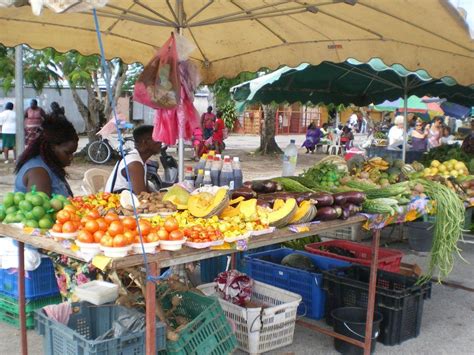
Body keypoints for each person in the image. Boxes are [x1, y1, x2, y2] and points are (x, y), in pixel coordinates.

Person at [14, 116, 78, 197]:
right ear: (52, 147)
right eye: (67, 153)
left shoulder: (49, 165)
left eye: (73, 153)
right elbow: (41, 208)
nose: (71, 158)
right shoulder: (38, 173)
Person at [105, 125, 162, 194]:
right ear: (145, 142)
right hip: (117, 202)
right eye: (157, 138)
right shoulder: (134, 163)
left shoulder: (140, 160)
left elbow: (146, 190)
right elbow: (142, 196)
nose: (161, 141)